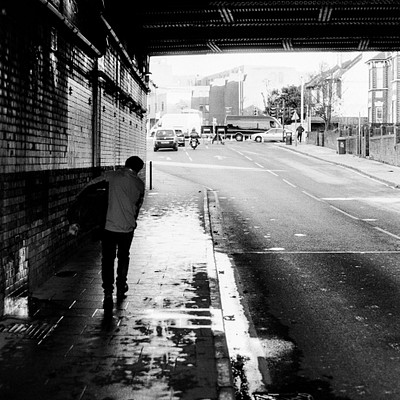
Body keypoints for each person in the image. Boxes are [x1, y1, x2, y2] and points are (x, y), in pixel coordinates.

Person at [75, 156, 145, 309]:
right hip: (127, 227)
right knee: (123, 255)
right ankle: (121, 286)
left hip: (109, 227)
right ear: (139, 169)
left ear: (126, 165)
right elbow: (138, 206)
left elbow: (90, 186)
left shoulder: (111, 176)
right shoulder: (140, 184)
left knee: (108, 258)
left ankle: (108, 291)